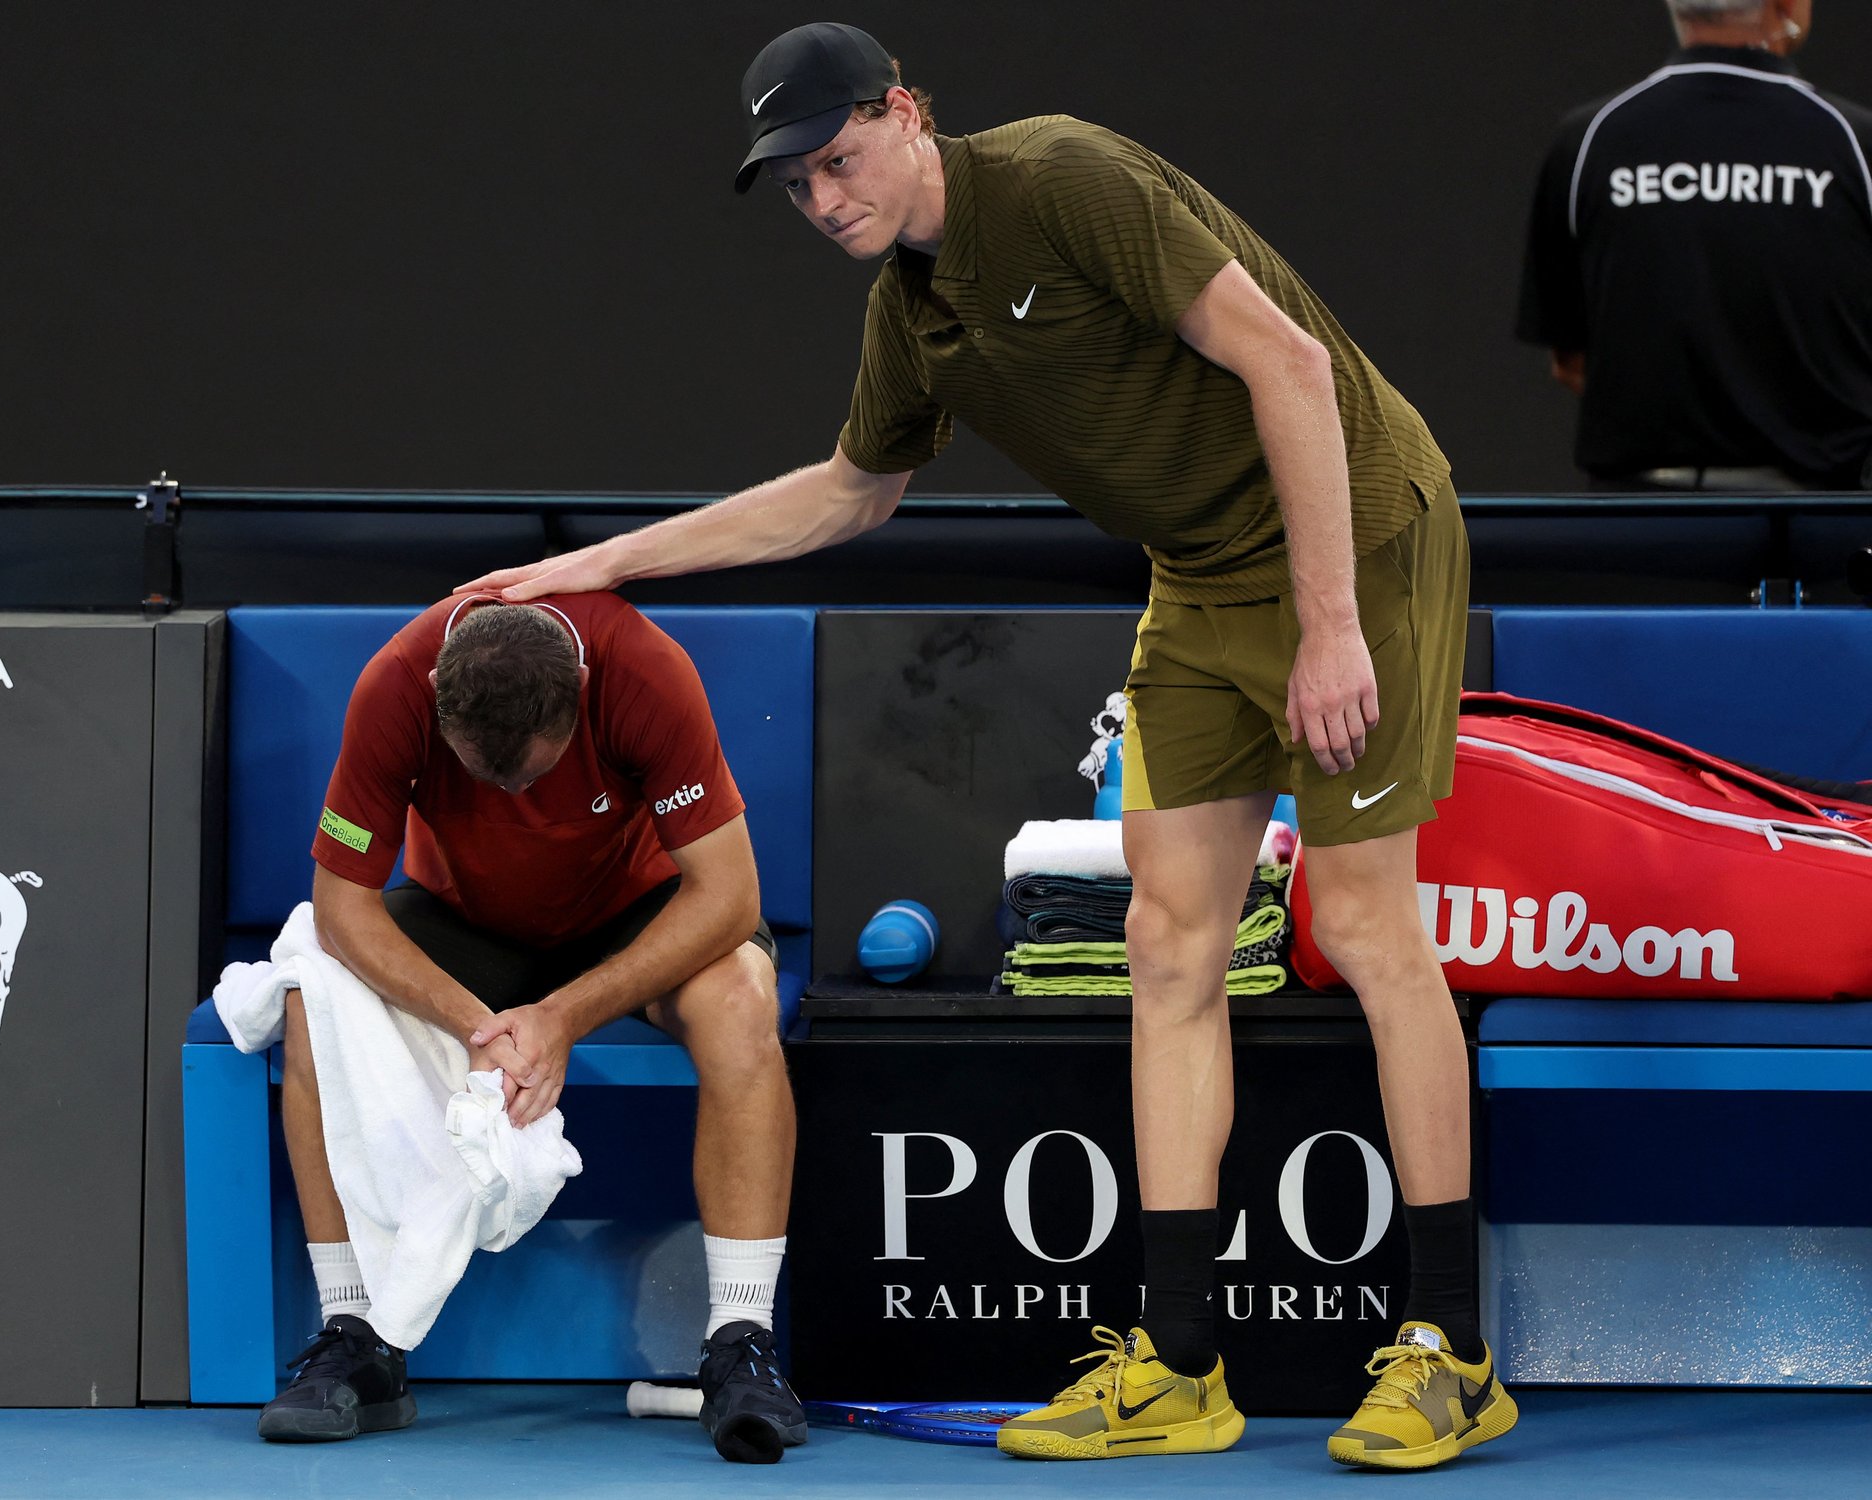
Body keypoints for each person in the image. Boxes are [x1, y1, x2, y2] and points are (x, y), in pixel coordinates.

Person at [466, 21, 1512, 1472]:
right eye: (798, 184)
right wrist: (601, 567)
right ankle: (1182, 1363)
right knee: (1164, 942)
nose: (826, 199)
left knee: (1365, 922)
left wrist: (1331, 623)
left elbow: (1289, 367)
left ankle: (1449, 1349)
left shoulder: (1065, 178)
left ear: (906, 115)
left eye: (840, 159)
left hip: (1364, 531)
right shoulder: (914, 317)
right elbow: (849, 492)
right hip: (1203, 574)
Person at [257, 591, 806, 1465]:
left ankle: (742, 1343)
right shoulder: (395, 684)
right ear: (439, 691)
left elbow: (730, 895)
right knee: (310, 999)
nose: (512, 793)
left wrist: (563, 1015)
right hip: (468, 925)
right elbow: (342, 906)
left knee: (740, 995)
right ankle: (356, 1338)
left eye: (533, 776)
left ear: (581, 689)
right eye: (488, 777)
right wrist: (480, 1025)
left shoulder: (643, 670)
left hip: (637, 914)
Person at [1517, 0, 1872, 491]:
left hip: (1636, 537)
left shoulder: (1587, 141)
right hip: (1821, 533)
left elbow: (1571, 363)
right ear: (1788, 4)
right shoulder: (1855, 143)